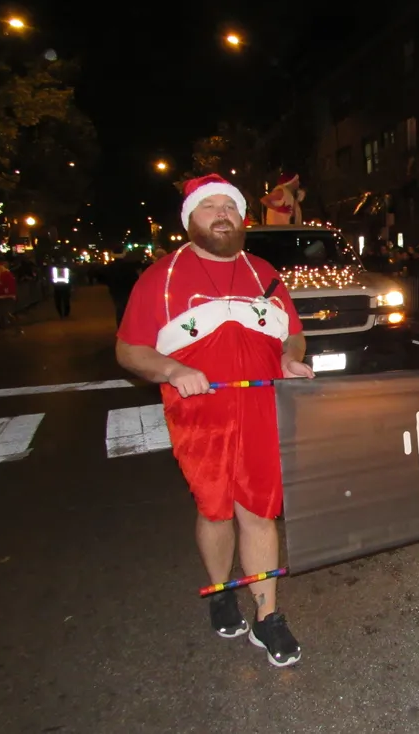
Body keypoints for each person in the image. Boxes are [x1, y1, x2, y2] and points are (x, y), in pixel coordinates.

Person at [115, 173, 314, 667]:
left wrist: (290, 359)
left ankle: (267, 616)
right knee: (215, 510)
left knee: (259, 511)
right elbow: (129, 349)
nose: (222, 214)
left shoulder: (263, 271)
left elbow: (292, 334)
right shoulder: (160, 278)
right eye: (210, 206)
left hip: (263, 410)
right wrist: (172, 369)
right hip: (199, 419)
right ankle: (221, 589)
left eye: (230, 206)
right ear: (190, 219)